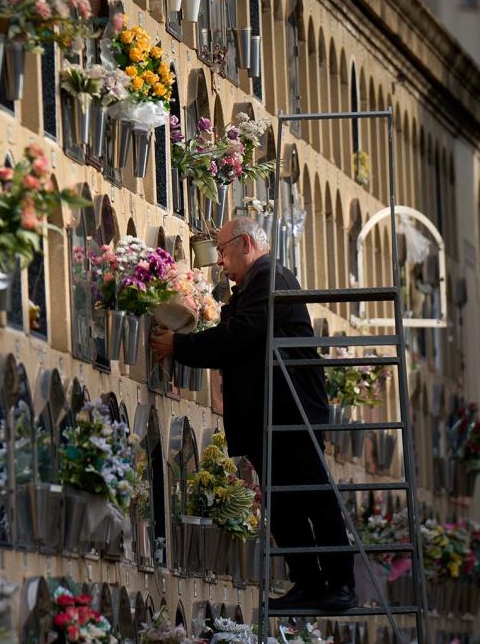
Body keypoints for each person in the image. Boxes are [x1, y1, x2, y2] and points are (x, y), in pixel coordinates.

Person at [150, 216, 355, 612]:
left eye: (223, 251)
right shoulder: (251, 284)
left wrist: (183, 346)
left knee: (313, 495)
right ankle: (309, 581)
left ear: (244, 243)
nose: (220, 262)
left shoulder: (270, 277)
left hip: (292, 410)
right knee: (282, 501)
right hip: (268, 413)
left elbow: (243, 334)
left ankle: (340, 583)